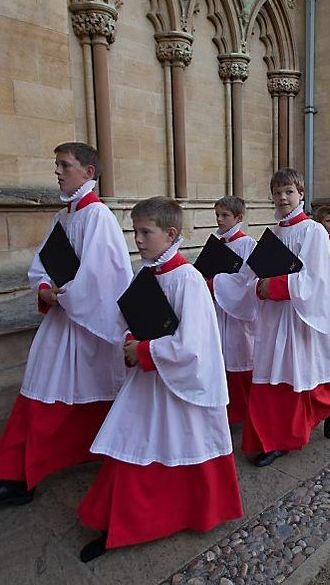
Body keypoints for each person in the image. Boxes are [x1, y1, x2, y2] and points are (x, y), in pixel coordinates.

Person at [0, 142, 133, 509]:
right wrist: (44, 287)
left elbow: (105, 278)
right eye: (56, 165)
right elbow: (42, 263)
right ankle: (17, 477)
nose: (57, 172)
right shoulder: (63, 217)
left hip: (87, 328)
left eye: (65, 165)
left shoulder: (98, 217)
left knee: (68, 395)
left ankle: (113, 461)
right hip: (63, 322)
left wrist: (63, 296)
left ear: (88, 173)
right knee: (40, 393)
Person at [76, 196, 242, 561]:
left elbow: (194, 347)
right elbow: (127, 321)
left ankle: (189, 511)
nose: (137, 240)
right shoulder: (144, 274)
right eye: (134, 232)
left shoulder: (188, 280)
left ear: (170, 234)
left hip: (179, 386)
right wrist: (130, 341)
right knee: (130, 442)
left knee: (180, 444)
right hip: (148, 382)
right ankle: (118, 522)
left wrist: (146, 351)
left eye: (144, 233)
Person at [242, 168, 330, 467]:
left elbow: (317, 279)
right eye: (277, 192)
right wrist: (255, 286)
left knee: (299, 375)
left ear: (301, 194)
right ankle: (272, 436)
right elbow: (253, 272)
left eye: (288, 191)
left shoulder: (312, 231)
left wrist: (275, 285)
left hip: (299, 317)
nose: (282, 198)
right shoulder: (273, 233)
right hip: (274, 317)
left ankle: (321, 412)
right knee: (272, 376)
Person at [210, 196, 258, 425]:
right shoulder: (219, 246)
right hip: (219, 313)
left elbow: (247, 282)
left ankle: (246, 413)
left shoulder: (248, 245)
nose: (219, 219)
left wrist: (215, 283)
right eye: (217, 214)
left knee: (239, 361)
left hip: (238, 317)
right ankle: (226, 413)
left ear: (239, 218)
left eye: (224, 215)